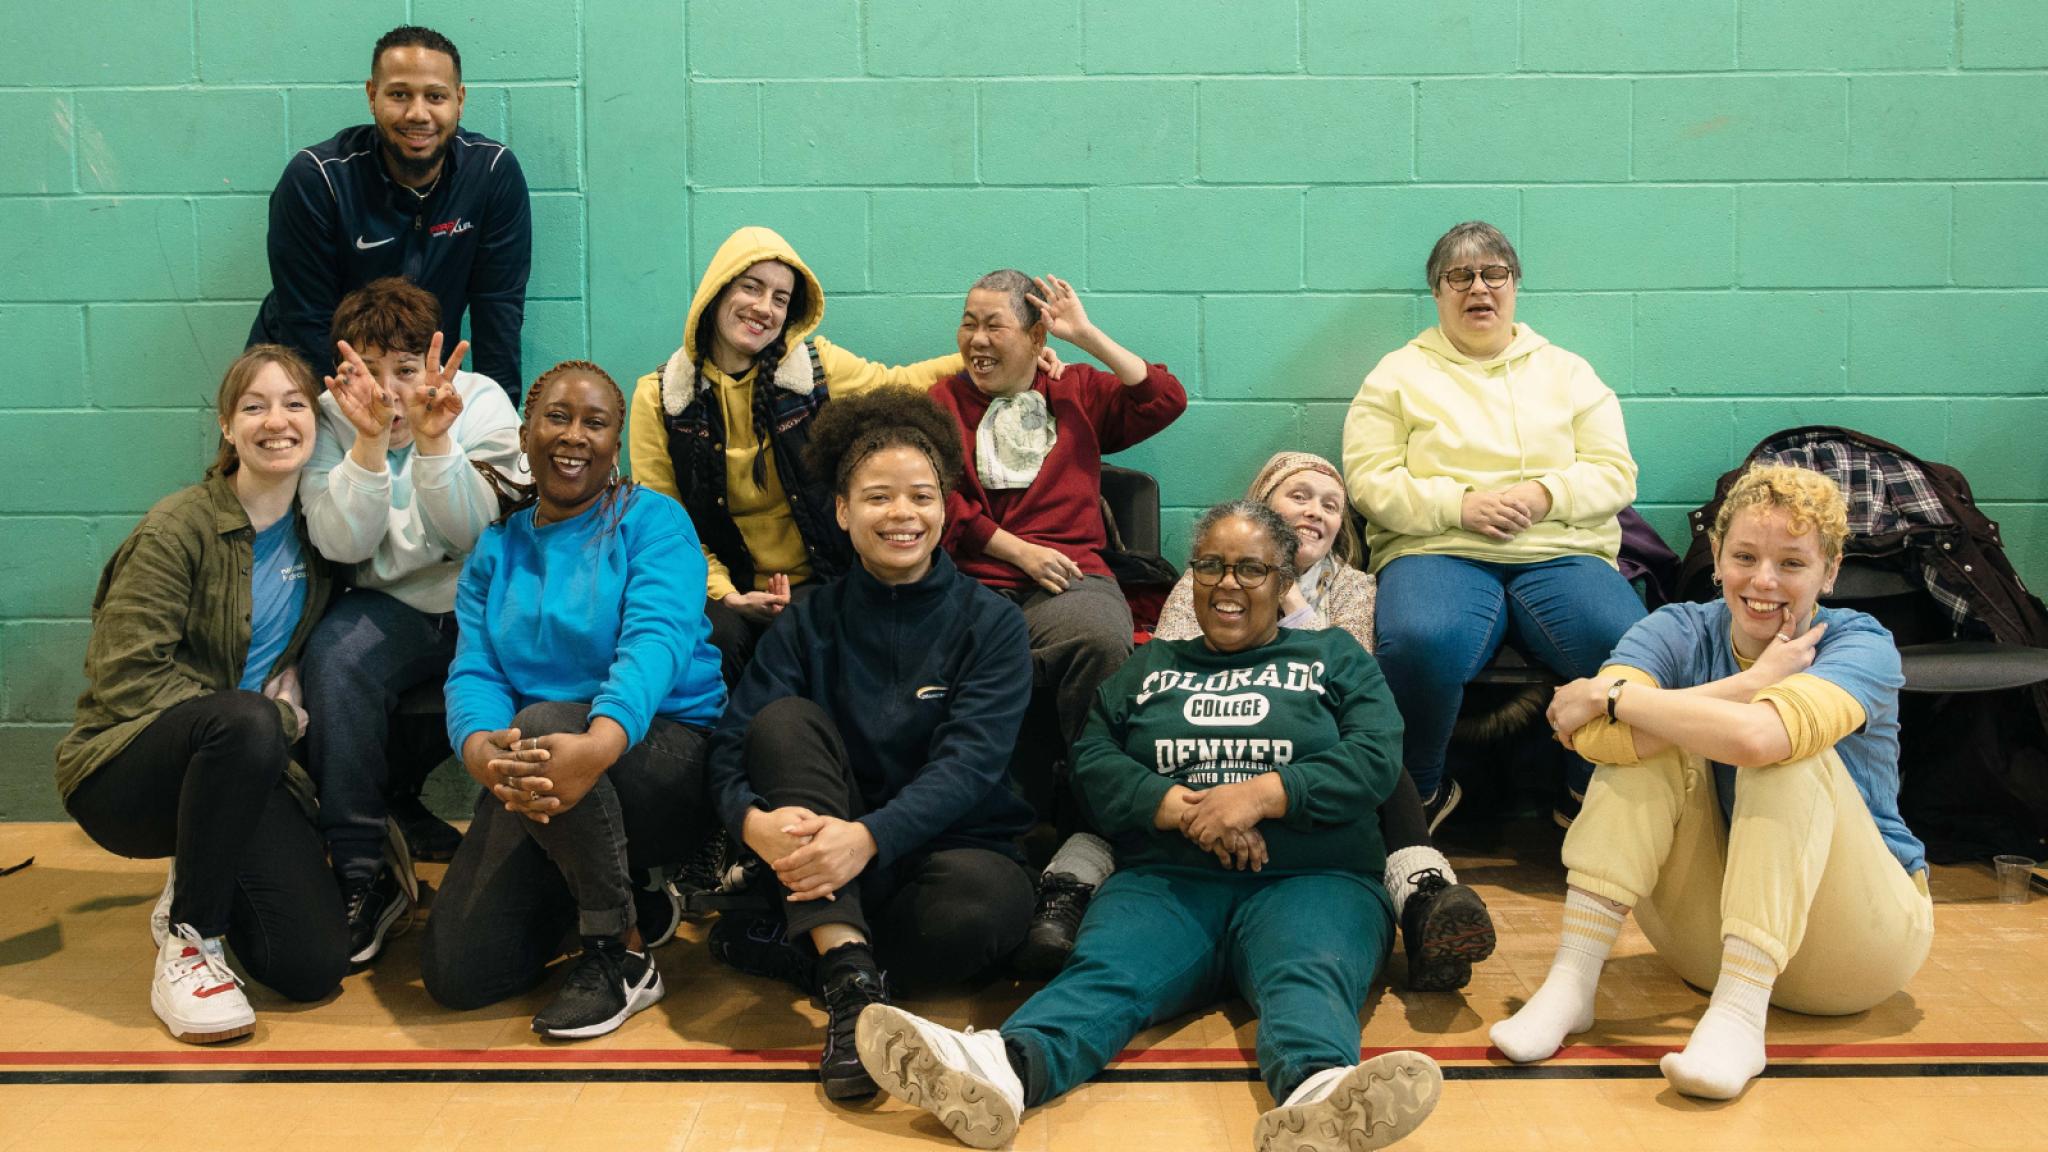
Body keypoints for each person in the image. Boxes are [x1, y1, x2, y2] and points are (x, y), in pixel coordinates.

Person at [855, 499, 1440, 1152]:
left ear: (1284, 582)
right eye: (1211, 565)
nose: (1226, 582)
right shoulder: (1152, 666)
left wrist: (1262, 796)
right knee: (1107, 973)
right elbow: (1094, 758)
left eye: (1251, 569)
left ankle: (1322, 1096)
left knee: (1306, 974)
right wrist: (1184, 810)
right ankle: (1003, 1069)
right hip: (1167, 875)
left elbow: (1375, 756)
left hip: (1314, 876)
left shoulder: (1334, 656)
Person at [1491, 464, 1934, 1100]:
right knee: (1657, 745)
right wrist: (1740, 686)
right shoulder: (1676, 628)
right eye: (1745, 556)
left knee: (1781, 749)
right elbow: (1598, 741)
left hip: (1858, 948)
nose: (1763, 581)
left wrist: (1609, 695)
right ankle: (1572, 982)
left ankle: (1739, 1017)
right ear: (1718, 558)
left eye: (1791, 563)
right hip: (1708, 942)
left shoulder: (1859, 643)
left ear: (1829, 572)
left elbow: (1757, 739)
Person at [704, 386, 1039, 1101]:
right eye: (878, 497)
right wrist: (749, 822)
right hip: (823, 843)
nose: (901, 515)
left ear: (945, 507)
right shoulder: (806, 622)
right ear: (842, 511)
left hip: (940, 857)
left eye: (920, 496)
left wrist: (867, 839)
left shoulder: (995, 625)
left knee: (985, 913)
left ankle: (810, 945)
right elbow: (737, 745)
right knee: (783, 722)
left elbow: (970, 767)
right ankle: (852, 986)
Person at [418, 360, 726, 1040]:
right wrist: (479, 751)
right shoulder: (498, 548)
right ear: (526, 435)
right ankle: (621, 886)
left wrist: (599, 742)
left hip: (661, 753)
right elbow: (474, 671)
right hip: (548, 771)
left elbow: (655, 642)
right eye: (558, 417)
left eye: (596, 423)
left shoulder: (653, 521)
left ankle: (622, 953)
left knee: (541, 720)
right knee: (459, 974)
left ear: (616, 443)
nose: (574, 436)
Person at [55, 346, 344, 1044]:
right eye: (254, 406)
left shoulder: (324, 539)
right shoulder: (178, 526)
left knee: (313, 968)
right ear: (227, 427)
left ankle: (192, 880)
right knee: (245, 722)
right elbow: (126, 674)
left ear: (317, 422)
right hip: (124, 774)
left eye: (294, 404)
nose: (276, 421)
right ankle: (191, 942)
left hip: (242, 767)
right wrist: (273, 715)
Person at [630, 227, 1056, 688]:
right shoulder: (658, 398)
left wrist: (1010, 359)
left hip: (822, 579)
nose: (763, 308)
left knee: (830, 641)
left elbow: (900, 381)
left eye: (780, 298)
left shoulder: (812, 367)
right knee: (717, 637)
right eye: (750, 288)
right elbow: (664, 525)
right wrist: (726, 593)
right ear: (716, 294)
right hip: (721, 587)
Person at [1149, 451, 1495, 993]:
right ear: (1261, 508)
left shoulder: (1354, 588)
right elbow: (1163, 670)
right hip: (1209, 736)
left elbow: (1357, 684)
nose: (1317, 512)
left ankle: (1425, 903)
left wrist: (1285, 593)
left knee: (1381, 755)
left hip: (1309, 746)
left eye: (1331, 506)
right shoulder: (1208, 574)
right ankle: (1075, 886)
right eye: (1299, 497)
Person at [1342, 220, 1643, 830]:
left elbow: (1616, 473)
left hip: (1562, 551)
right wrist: (1461, 505)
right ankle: (1418, 797)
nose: (1478, 287)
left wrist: (1544, 493)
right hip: (1438, 549)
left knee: (1627, 643)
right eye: (1459, 276)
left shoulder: (1569, 372)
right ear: (1437, 293)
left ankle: (1585, 798)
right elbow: (1369, 480)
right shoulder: (1396, 375)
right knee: (1420, 642)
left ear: (1514, 285)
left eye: (1493, 273)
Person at [929, 270, 1187, 967]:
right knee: (968, 644)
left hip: (1073, 581)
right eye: (968, 322)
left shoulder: (1075, 392)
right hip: (975, 580)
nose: (977, 340)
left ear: (1036, 334)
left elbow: (1164, 398)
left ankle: (1101, 831)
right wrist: (1014, 549)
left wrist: (1087, 337)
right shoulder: (941, 402)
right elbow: (939, 502)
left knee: (1101, 638)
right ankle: (987, 847)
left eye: (995, 325)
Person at [297, 277, 520, 966]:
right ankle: (363, 871)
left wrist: (433, 443)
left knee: (546, 672)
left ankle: (529, 864)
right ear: (347, 373)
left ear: (433, 362)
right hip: (386, 604)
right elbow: (342, 545)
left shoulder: (478, 400)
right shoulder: (330, 417)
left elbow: (472, 531)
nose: (390, 392)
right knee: (334, 662)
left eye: (405, 370)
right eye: (371, 372)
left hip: (482, 603)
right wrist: (367, 447)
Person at [248, 25, 531, 403]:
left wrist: (500, 429)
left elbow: (498, 320)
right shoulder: (317, 178)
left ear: (459, 101)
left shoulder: (492, 174)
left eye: (435, 96)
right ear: (371, 96)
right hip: (312, 382)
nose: (418, 113)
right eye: (399, 94)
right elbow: (307, 326)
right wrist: (349, 422)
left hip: (416, 381)